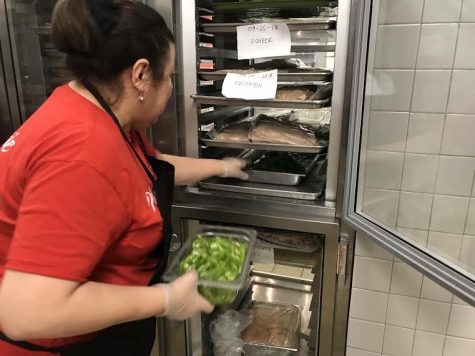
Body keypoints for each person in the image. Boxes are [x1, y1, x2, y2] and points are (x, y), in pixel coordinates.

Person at [0, 0, 248, 355]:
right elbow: (27, 313)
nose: (169, 88)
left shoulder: (93, 109)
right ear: (141, 74)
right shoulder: (81, 155)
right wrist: (164, 298)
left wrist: (221, 167)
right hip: (58, 346)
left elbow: (147, 166)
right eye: (170, 77)